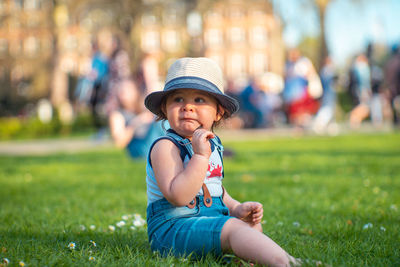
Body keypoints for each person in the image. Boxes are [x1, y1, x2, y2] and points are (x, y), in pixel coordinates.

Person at [144, 57, 299, 266]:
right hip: (173, 229)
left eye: (199, 100)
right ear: (164, 108)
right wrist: (199, 157)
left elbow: (214, 187)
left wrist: (235, 208)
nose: (187, 107)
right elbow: (178, 196)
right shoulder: (165, 147)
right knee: (234, 230)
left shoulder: (212, 144)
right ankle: (289, 262)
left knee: (251, 227)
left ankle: (236, 256)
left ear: (218, 112)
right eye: (178, 99)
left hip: (206, 221)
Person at [108, 79, 163, 159]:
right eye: (120, 90)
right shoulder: (117, 115)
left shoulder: (141, 108)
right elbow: (119, 143)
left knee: (161, 117)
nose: (123, 93)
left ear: (135, 91)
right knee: (159, 121)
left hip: (152, 141)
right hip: (139, 148)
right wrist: (136, 122)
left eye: (127, 90)